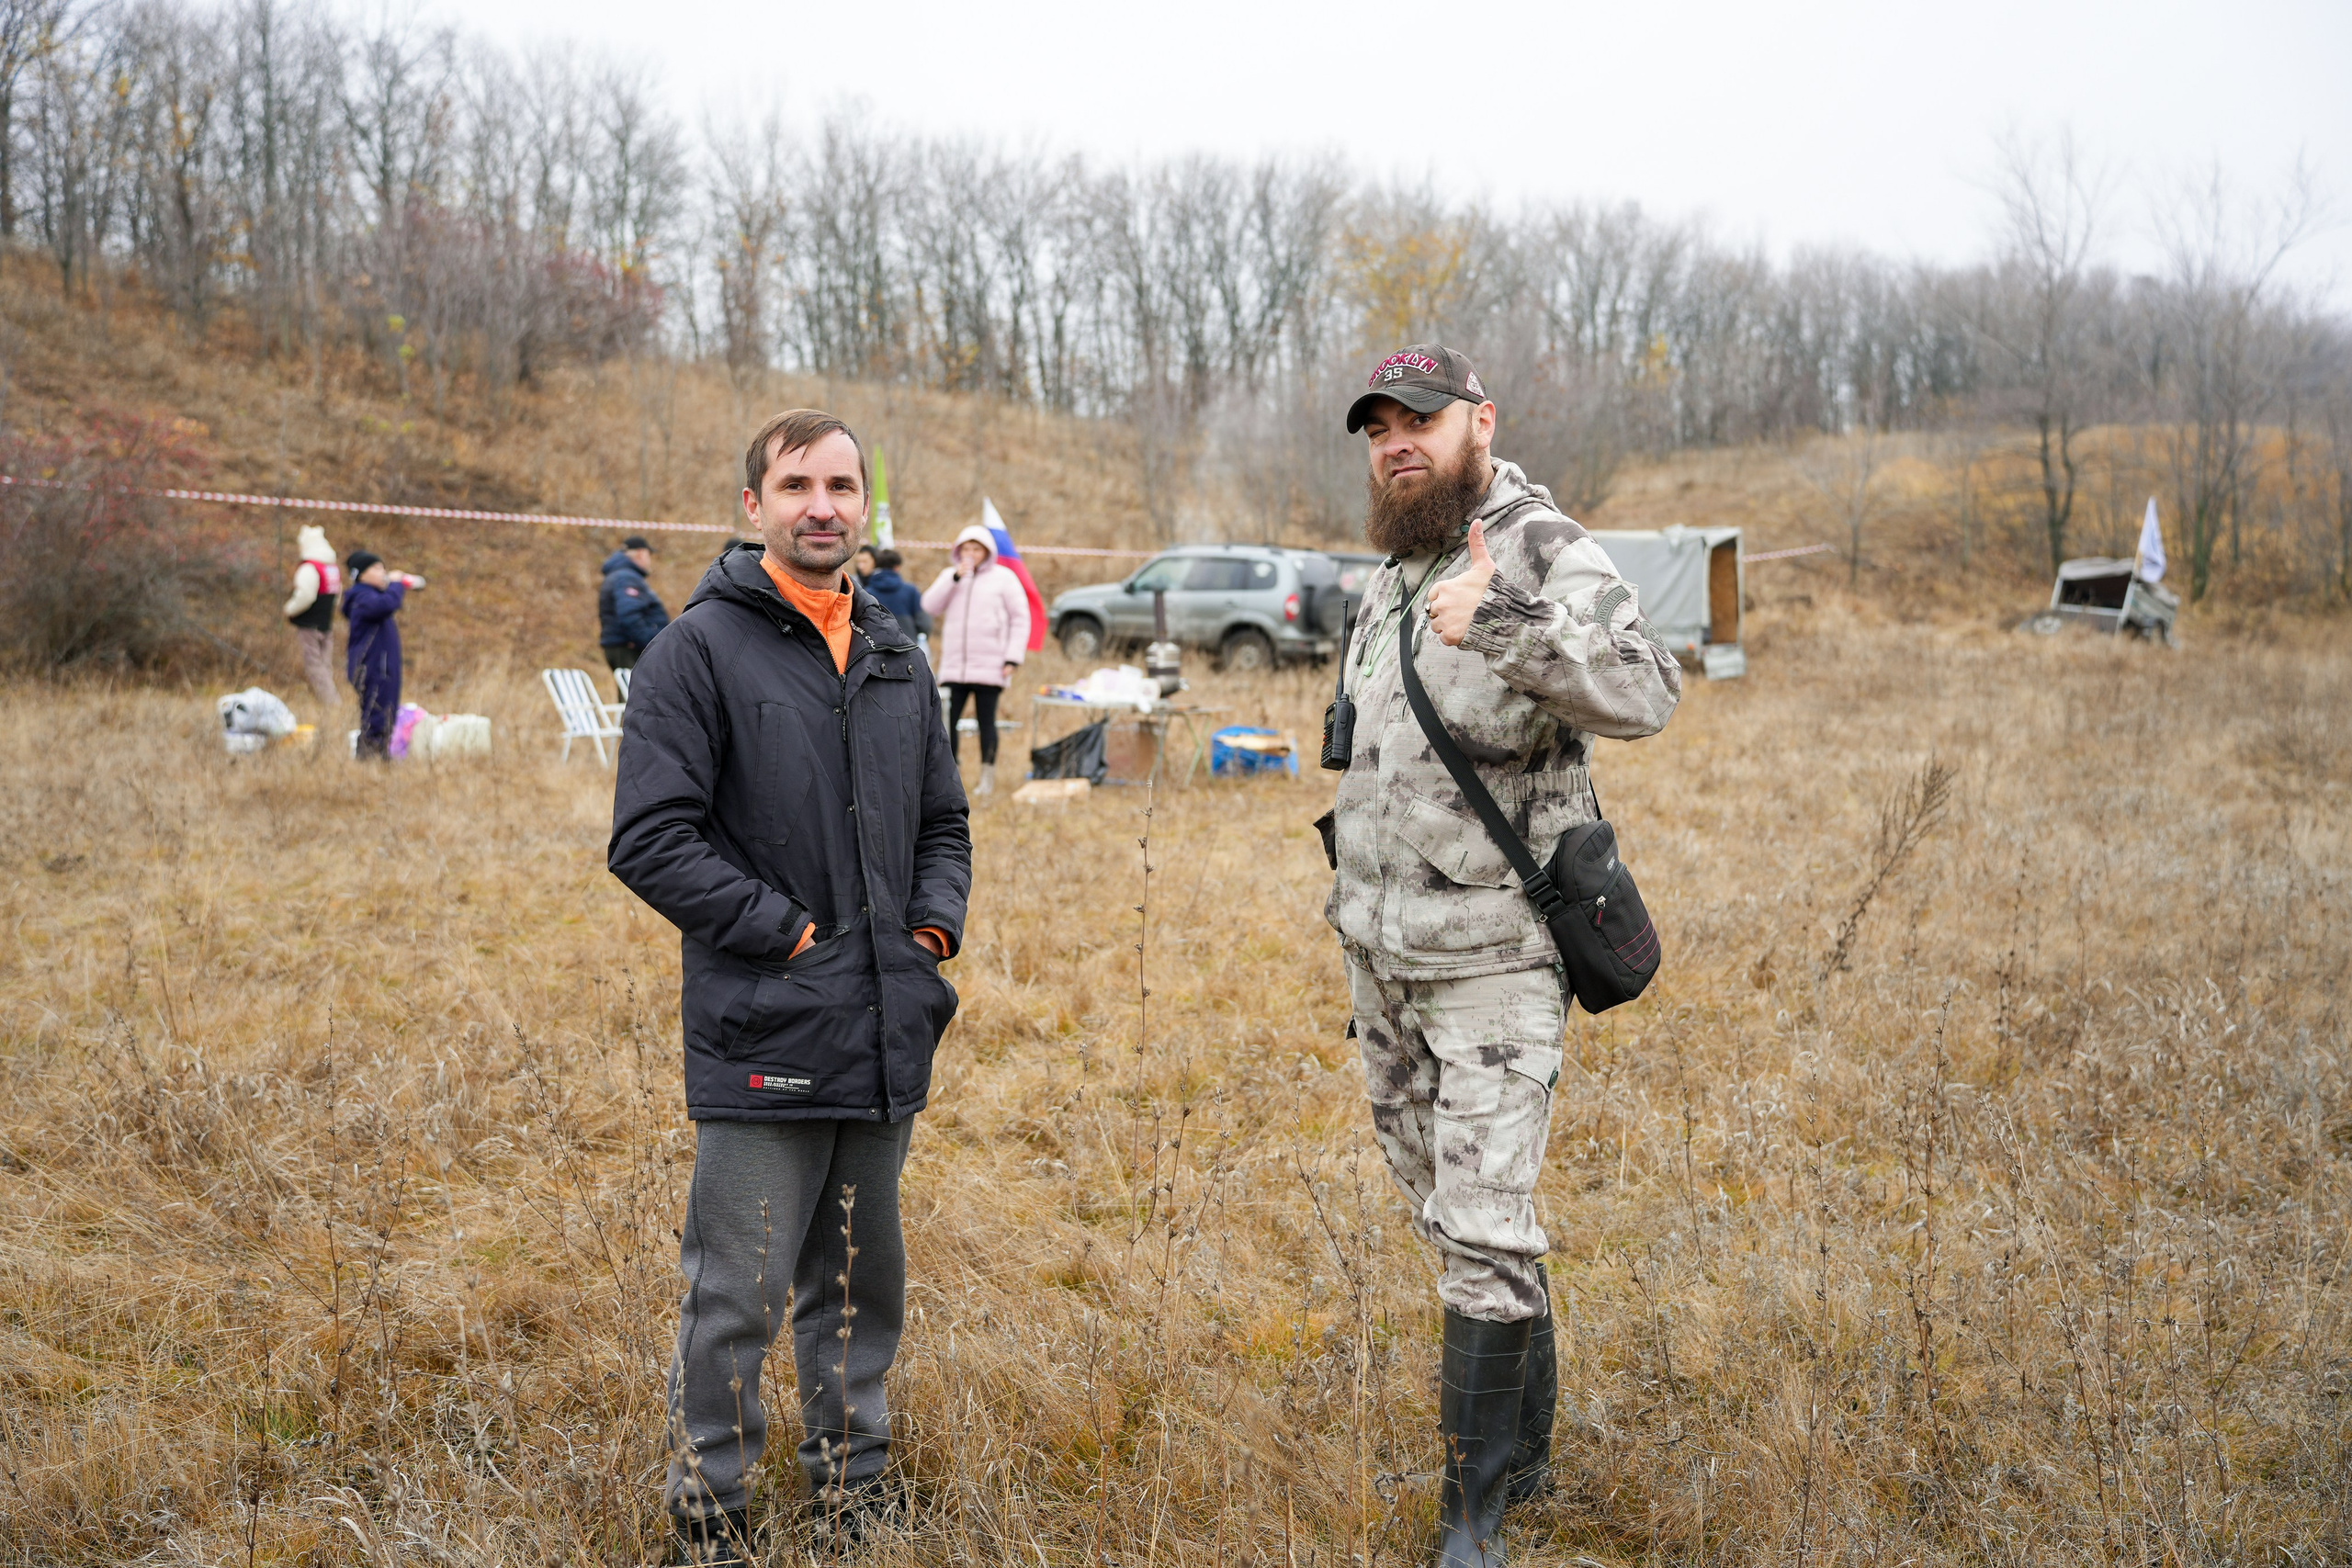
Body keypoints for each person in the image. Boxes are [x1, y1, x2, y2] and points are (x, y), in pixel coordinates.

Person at [1325, 344, 1681, 1568]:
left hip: (1494, 958)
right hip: (1383, 962)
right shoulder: (1389, 570)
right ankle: (1522, 1459)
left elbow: (1645, 687)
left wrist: (1509, 624)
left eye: (1420, 419)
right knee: (1454, 1217)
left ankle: (1470, 1516)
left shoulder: (1533, 544)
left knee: (1481, 1222)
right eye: (1378, 427)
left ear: (1483, 419)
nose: (1397, 442)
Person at [608, 409, 970, 1567]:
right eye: (797, 483)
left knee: (861, 1286)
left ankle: (851, 1502)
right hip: (767, 1027)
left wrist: (927, 933)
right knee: (737, 1298)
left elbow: (945, 825)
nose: (823, 504)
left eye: (844, 485)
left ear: (866, 506)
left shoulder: (895, 653)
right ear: (753, 506)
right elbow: (651, 838)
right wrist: (793, 936)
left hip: (884, 1029)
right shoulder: (695, 651)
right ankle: (709, 1520)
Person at [921, 525, 1029, 796]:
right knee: (946, 722)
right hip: (955, 666)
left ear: (987, 552)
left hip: (991, 665)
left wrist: (1012, 658)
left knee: (986, 721)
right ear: (958, 551)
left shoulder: (1004, 578)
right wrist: (954, 579)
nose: (971, 554)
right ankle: (950, 775)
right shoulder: (951, 575)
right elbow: (929, 606)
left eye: (976, 549)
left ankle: (987, 777)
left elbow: (1020, 617)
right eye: (966, 548)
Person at [342, 551, 424, 761]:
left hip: (384, 667)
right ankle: (370, 762)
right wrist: (397, 585)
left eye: (384, 568)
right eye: (377, 568)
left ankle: (379, 758)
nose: (384, 573)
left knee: (386, 713)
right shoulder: (362, 596)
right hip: (373, 668)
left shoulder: (370, 595)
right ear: (361, 575)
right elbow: (386, 605)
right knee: (377, 715)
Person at [281, 524, 342, 711]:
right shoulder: (331, 569)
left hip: (309, 625)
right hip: (326, 624)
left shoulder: (309, 568)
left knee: (314, 665)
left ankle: (331, 703)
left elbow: (305, 595)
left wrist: (289, 609)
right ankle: (331, 701)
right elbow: (337, 596)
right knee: (325, 664)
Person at [599, 535, 671, 671]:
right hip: (629, 649)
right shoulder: (626, 578)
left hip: (624, 646)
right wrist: (647, 642)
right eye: (649, 555)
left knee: (627, 689)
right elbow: (629, 613)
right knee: (633, 690)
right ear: (641, 553)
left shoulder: (621, 575)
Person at [864, 548, 927, 643]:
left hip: (876, 650)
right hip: (908, 648)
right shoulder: (910, 591)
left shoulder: (866, 593)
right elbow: (924, 622)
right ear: (897, 567)